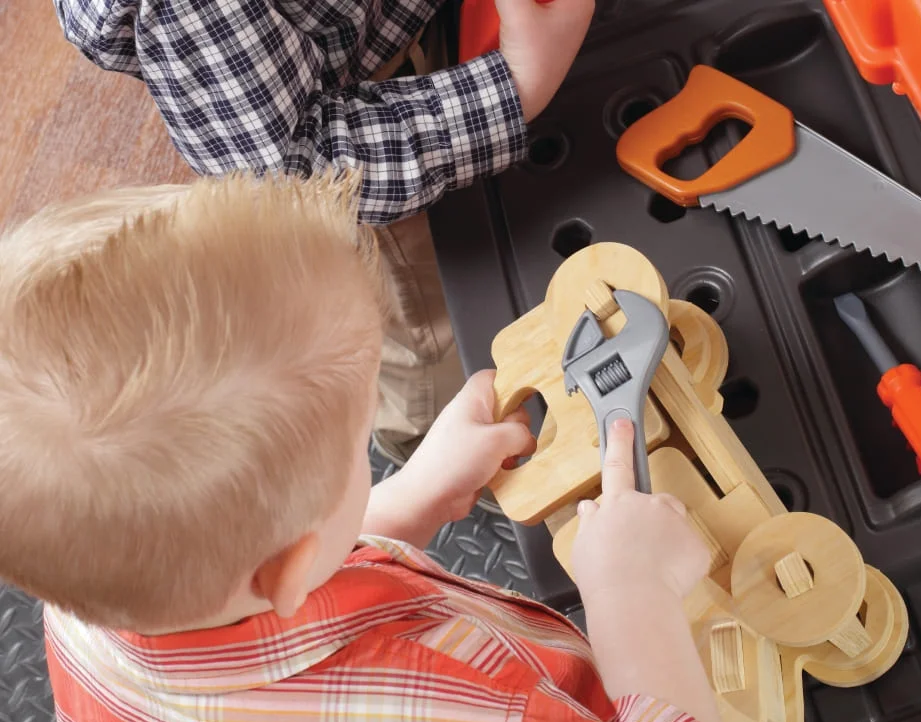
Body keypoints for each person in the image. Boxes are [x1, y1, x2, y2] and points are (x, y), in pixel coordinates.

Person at [0, 172, 754, 722]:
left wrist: (408, 499)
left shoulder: (88, 606)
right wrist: (632, 592)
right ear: (291, 563)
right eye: (361, 444)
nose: (370, 449)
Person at [55, 0, 596, 468]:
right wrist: (516, 86)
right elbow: (294, 169)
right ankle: (425, 443)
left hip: (412, 41)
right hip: (368, 151)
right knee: (428, 339)